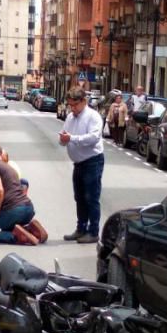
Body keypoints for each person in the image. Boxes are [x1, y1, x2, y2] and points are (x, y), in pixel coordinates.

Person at [59, 86, 104, 244]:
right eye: (70, 105)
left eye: (75, 105)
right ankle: (81, 228)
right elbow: (64, 135)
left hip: (92, 160)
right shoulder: (70, 117)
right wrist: (63, 139)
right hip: (78, 163)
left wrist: (71, 139)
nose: (73, 109)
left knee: (91, 197)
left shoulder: (93, 116)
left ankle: (93, 232)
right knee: (79, 197)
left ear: (84, 101)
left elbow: (93, 138)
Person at [0, 144, 40, 245]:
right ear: (1, 154)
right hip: (28, 208)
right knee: (4, 225)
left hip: (15, 211)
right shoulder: (10, 167)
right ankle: (30, 230)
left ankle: (17, 237)